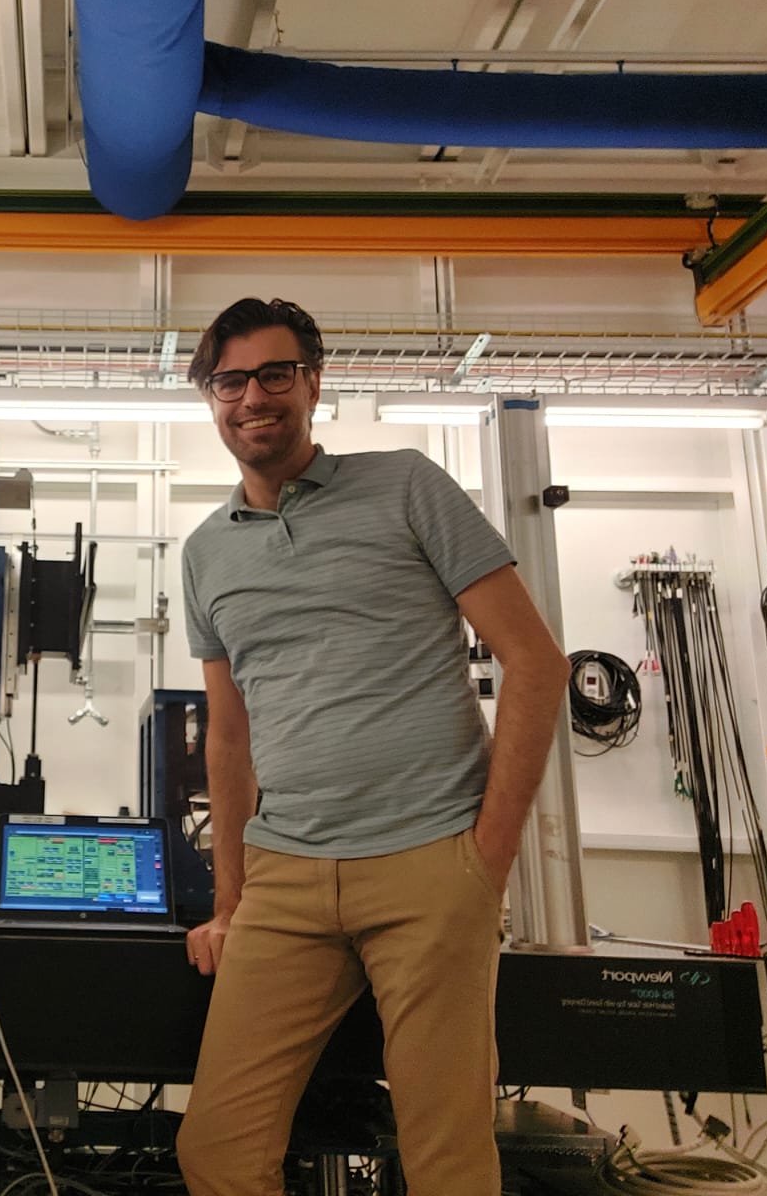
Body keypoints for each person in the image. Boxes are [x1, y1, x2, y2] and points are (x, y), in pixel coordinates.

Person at [173, 297, 569, 1195]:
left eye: (276, 374)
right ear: (212, 398)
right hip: (284, 876)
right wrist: (230, 900)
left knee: (444, 1160)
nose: (253, 397)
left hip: (430, 862)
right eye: (230, 381)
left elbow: (536, 663)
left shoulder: (406, 485)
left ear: (313, 385)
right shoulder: (204, 553)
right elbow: (228, 738)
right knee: (218, 1151)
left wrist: (487, 858)